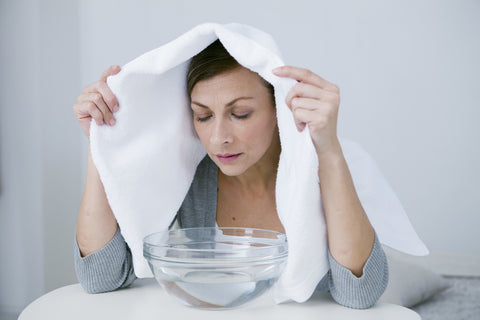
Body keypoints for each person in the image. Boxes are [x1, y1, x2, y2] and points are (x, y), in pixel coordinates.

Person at [72, 40, 388, 309]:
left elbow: (359, 293)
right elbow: (100, 278)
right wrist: (101, 142)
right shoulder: (184, 177)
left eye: (240, 114)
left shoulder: (319, 171)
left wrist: (329, 151)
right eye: (203, 115)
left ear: (278, 107)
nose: (219, 137)